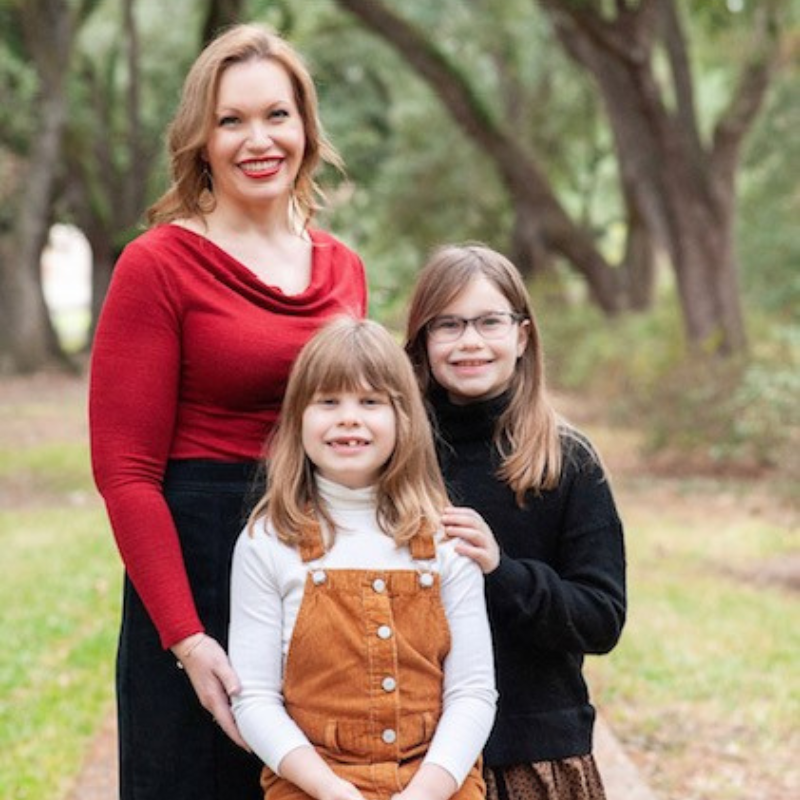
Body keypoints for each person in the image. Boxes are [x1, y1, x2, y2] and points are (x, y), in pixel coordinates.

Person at [89, 23, 367, 800]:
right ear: (200, 140)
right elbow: (126, 471)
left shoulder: (344, 267)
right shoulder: (158, 264)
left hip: (315, 558)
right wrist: (184, 637)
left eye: (277, 115)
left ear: (306, 127)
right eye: (231, 120)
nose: (258, 139)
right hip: (199, 563)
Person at [229, 316, 497, 800]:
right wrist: (332, 791)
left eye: (370, 402)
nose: (348, 417)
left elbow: (473, 692)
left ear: (404, 420)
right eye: (328, 401)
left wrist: (424, 792)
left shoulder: (444, 538)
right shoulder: (268, 541)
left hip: (435, 781)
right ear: (298, 421)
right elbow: (254, 699)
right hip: (311, 781)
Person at [404, 244, 627, 800]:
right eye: (448, 325)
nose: (470, 341)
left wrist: (501, 571)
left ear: (522, 336)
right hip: (413, 755)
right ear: (422, 341)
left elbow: (601, 618)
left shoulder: (567, 460)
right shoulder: (394, 455)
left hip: (534, 753)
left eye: (488, 322)